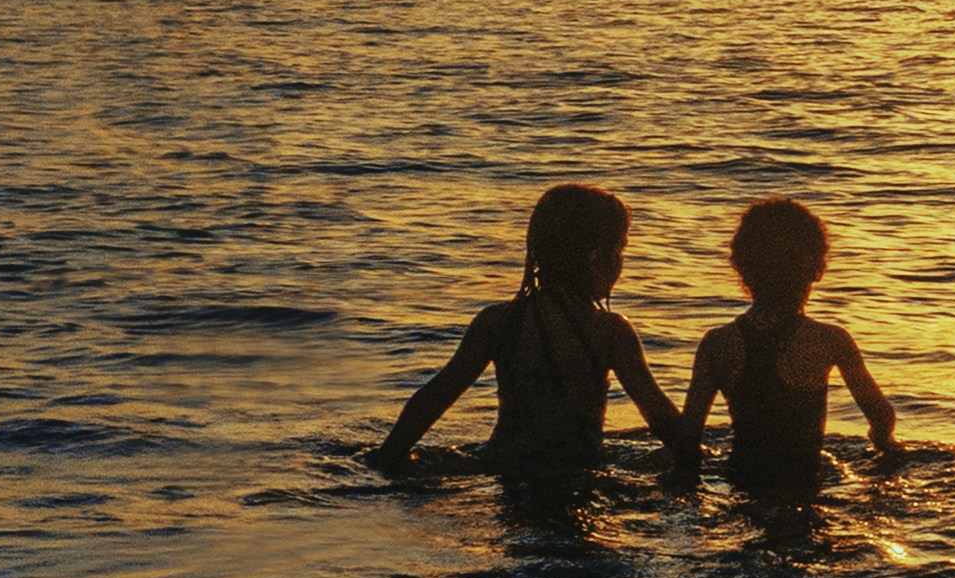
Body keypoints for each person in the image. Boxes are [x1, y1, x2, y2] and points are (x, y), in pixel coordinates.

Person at [370, 181, 689, 487]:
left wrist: (387, 457)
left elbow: (435, 396)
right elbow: (658, 413)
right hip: (578, 471)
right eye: (620, 249)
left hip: (505, 467)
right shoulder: (609, 331)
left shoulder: (497, 322)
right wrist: (696, 461)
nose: (621, 262)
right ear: (595, 257)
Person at [681, 197, 910, 499]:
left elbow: (688, 437)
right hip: (804, 484)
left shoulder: (718, 343)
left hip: (740, 482)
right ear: (816, 268)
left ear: (742, 269)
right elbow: (880, 414)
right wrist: (883, 445)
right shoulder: (830, 340)